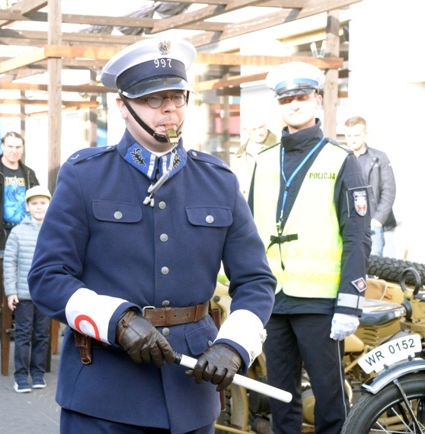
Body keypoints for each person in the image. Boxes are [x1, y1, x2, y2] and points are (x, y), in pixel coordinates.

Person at [27, 37, 276, 433]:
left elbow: (256, 281)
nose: (169, 110)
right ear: (123, 107)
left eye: (177, 97)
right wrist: (118, 321)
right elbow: (47, 277)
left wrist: (233, 345)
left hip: (191, 392)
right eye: (152, 99)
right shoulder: (84, 175)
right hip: (104, 392)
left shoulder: (219, 182)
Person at [250, 62, 371, 434]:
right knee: (280, 398)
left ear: (318, 101)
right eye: (286, 98)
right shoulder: (265, 161)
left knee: (330, 401)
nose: (295, 103)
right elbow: (248, 231)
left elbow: (357, 236)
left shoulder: (340, 159)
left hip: (321, 304)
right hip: (275, 300)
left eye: (302, 96)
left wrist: (350, 301)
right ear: (278, 106)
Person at [0, 131, 39, 348]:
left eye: (18, 147)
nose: (14, 151)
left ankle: (12, 327)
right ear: (2, 146)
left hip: (24, 236)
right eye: (10, 146)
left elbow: (39, 203)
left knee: (21, 283)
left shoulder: (29, 174)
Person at [4, 185, 52, 393]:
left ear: (50, 205)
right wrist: (11, 291)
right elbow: (9, 262)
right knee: (23, 335)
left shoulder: (55, 230)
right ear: (27, 206)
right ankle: (21, 376)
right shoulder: (17, 232)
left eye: (43, 203)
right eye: (34, 204)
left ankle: (38, 373)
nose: (39, 207)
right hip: (23, 294)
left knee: (42, 335)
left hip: (47, 294)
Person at [344, 115, 396, 256]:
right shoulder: (341, 158)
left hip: (372, 224)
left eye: (357, 135)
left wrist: (378, 220)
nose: (352, 139)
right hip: (349, 224)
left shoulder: (379, 158)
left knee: (373, 268)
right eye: (349, 135)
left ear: (365, 134)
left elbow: (389, 190)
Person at [231, 114, 278, 198]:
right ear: (246, 131)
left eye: (261, 127)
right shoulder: (240, 155)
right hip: (246, 204)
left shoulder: (279, 147)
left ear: (266, 126)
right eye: (254, 129)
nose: (259, 132)